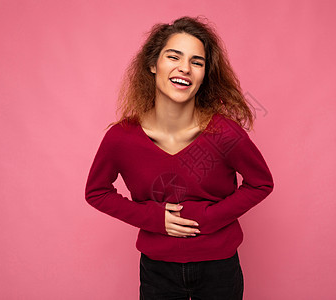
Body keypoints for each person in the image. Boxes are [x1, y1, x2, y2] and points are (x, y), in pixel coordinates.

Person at [85, 16, 274, 300]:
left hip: (220, 267)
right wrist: (153, 218)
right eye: (174, 56)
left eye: (197, 62)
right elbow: (96, 192)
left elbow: (261, 183)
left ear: (204, 74)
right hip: (157, 269)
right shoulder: (121, 138)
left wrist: (209, 217)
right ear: (152, 65)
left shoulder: (224, 133)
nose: (184, 68)